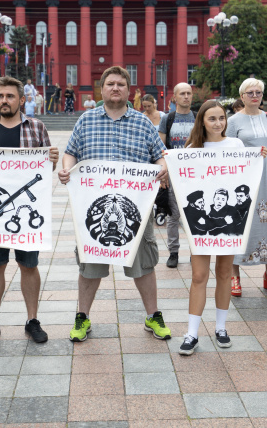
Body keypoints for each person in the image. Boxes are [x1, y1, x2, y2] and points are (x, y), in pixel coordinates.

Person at [58, 66, 172, 343]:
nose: (116, 88)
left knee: (143, 262)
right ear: (102, 88)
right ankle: (82, 317)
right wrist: (66, 171)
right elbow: (70, 153)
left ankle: (152, 315)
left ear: (129, 90)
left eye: (121, 84)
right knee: (90, 264)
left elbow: (160, 155)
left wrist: (163, 168)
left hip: (136, 208)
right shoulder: (86, 120)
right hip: (95, 207)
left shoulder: (143, 122)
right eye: (110, 83)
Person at [0, 77, 60, 346]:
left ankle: (32, 320)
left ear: (22, 100)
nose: (4, 100)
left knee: (29, 266)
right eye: (0, 95)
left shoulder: (37, 128)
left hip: (25, 215)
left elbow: (45, 170)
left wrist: (51, 160)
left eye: (10, 96)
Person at [178, 100, 244, 355]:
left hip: (228, 222)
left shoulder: (236, 145)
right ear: (202, 122)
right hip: (202, 226)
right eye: (212, 119)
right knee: (198, 276)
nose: (218, 123)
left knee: (225, 273)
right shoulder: (192, 148)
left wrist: (257, 158)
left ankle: (221, 327)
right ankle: (191, 333)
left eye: (221, 118)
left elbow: (245, 176)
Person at [226, 78, 267, 296]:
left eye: (258, 92)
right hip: (243, 179)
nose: (254, 96)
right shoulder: (233, 121)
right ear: (242, 96)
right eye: (250, 92)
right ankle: (235, 275)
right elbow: (228, 149)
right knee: (241, 224)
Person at [159, 83, 195, 269]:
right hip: (174, 173)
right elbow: (161, 147)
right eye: (182, 93)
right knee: (174, 215)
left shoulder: (198, 117)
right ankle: (173, 252)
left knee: (194, 213)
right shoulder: (168, 118)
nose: (186, 97)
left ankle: (194, 252)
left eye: (189, 93)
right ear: (175, 97)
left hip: (194, 173)